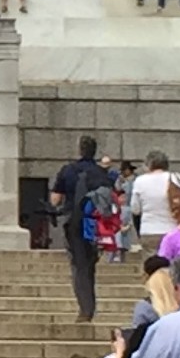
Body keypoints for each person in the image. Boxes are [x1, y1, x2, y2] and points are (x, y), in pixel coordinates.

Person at [48, 136, 112, 320]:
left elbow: (55, 199)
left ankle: (85, 308)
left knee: (78, 264)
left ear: (80, 149)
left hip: (73, 221)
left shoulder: (68, 170)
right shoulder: (101, 173)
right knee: (89, 263)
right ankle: (88, 305)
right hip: (94, 223)